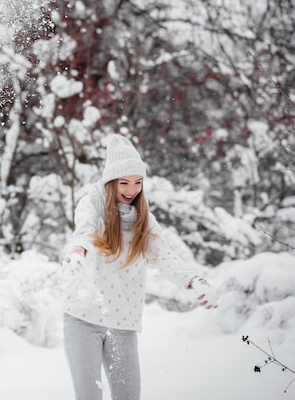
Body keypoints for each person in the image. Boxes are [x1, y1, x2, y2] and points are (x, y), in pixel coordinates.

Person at [62, 134, 218, 400]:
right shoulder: (92, 204)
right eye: (124, 182)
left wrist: (193, 280)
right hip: (82, 316)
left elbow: (162, 255)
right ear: (111, 182)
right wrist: (77, 251)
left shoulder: (144, 218)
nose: (131, 189)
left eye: (137, 182)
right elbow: (84, 232)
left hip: (122, 320)